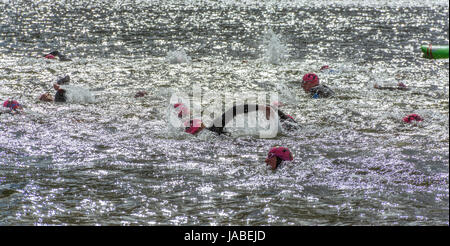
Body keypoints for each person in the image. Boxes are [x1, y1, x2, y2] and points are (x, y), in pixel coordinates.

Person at [178, 104, 298, 136]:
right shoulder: (212, 130)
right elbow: (234, 110)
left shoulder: (206, 135)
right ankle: (287, 121)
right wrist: (261, 108)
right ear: (201, 126)